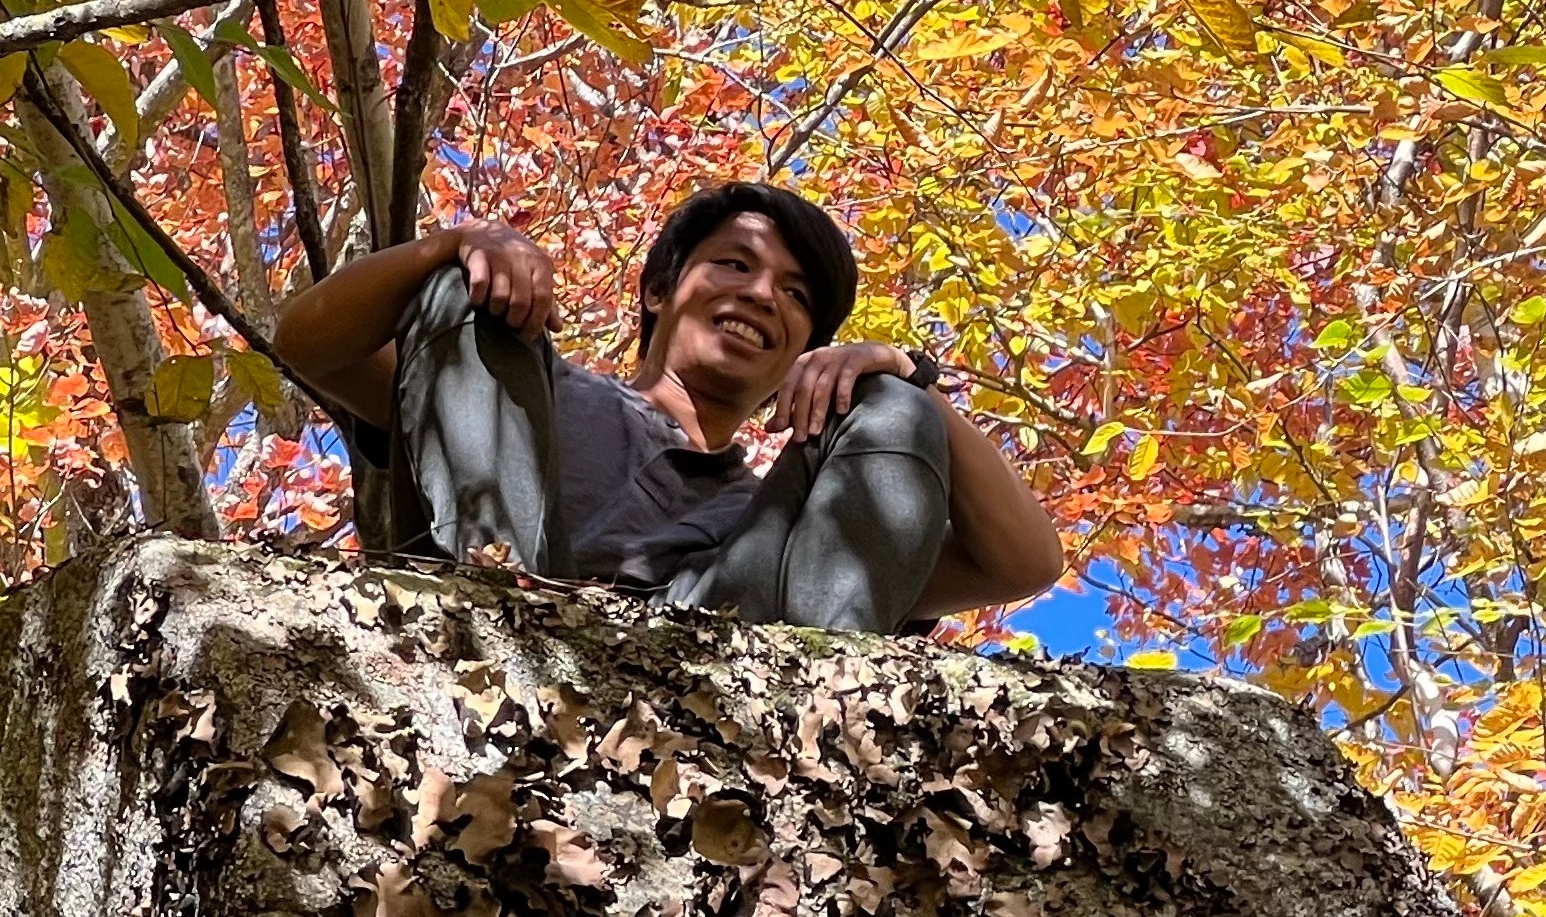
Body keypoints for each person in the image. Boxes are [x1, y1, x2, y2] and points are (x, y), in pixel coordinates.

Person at [274, 182, 1064, 632]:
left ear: (801, 354)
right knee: (468, 289)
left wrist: (902, 372)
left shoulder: (782, 520)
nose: (762, 294)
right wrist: (455, 244)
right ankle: (498, 616)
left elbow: (1024, 562)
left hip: (731, 644)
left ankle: (816, 703)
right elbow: (309, 343)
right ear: (658, 290)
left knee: (898, 403)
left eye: (795, 296)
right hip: (502, 610)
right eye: (735, 263)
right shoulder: (527, 387)